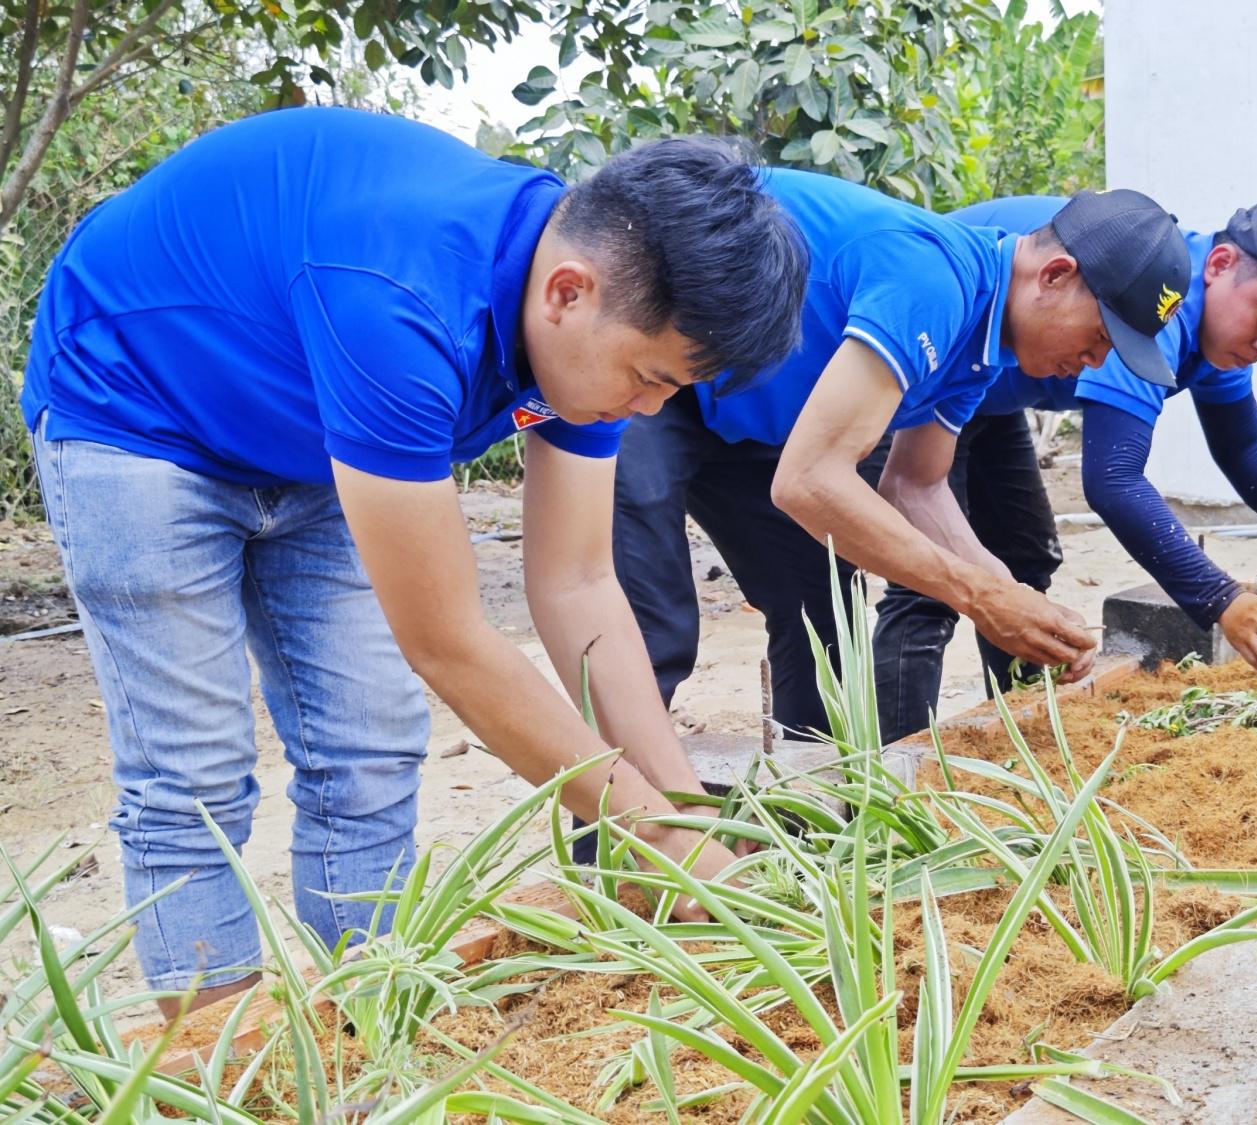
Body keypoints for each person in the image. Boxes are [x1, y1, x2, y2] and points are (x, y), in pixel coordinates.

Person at [22, 107, 808, 1013]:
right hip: (136, 410)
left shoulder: (583, 332)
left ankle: (370, 1026)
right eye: (649, 378)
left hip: (312, 429)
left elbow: (579, 584)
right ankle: (225, 1074)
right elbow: (450, 642)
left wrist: (685, 819)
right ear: (566, 292)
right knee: (193, 770)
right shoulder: (403, 301)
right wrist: (666, 846)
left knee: (368, 742)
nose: (643, 408)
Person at [612, 174, 1189, 739]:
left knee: (824, 623)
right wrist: (978, 596)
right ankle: (607, 828)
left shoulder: (982, 348)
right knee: (653, 630)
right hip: (657, 370)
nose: (1094, 361)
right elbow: (810, 481)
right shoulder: (935, 281)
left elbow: (916, 485)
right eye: (1101, 337)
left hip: (750, 412)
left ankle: (806, 820)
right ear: (1056, 275)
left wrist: (1009, 593)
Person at [874, 195, 1257, 741]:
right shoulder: (1157, 302)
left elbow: (1243, 444)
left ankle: (1019, 739)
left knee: (1023, 558)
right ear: (1220, 265)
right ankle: (898, 765)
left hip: (988, 391)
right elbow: (1113, 479)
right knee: (929, 582)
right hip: (927, 360)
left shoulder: (1215, 328)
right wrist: (1222, 599)